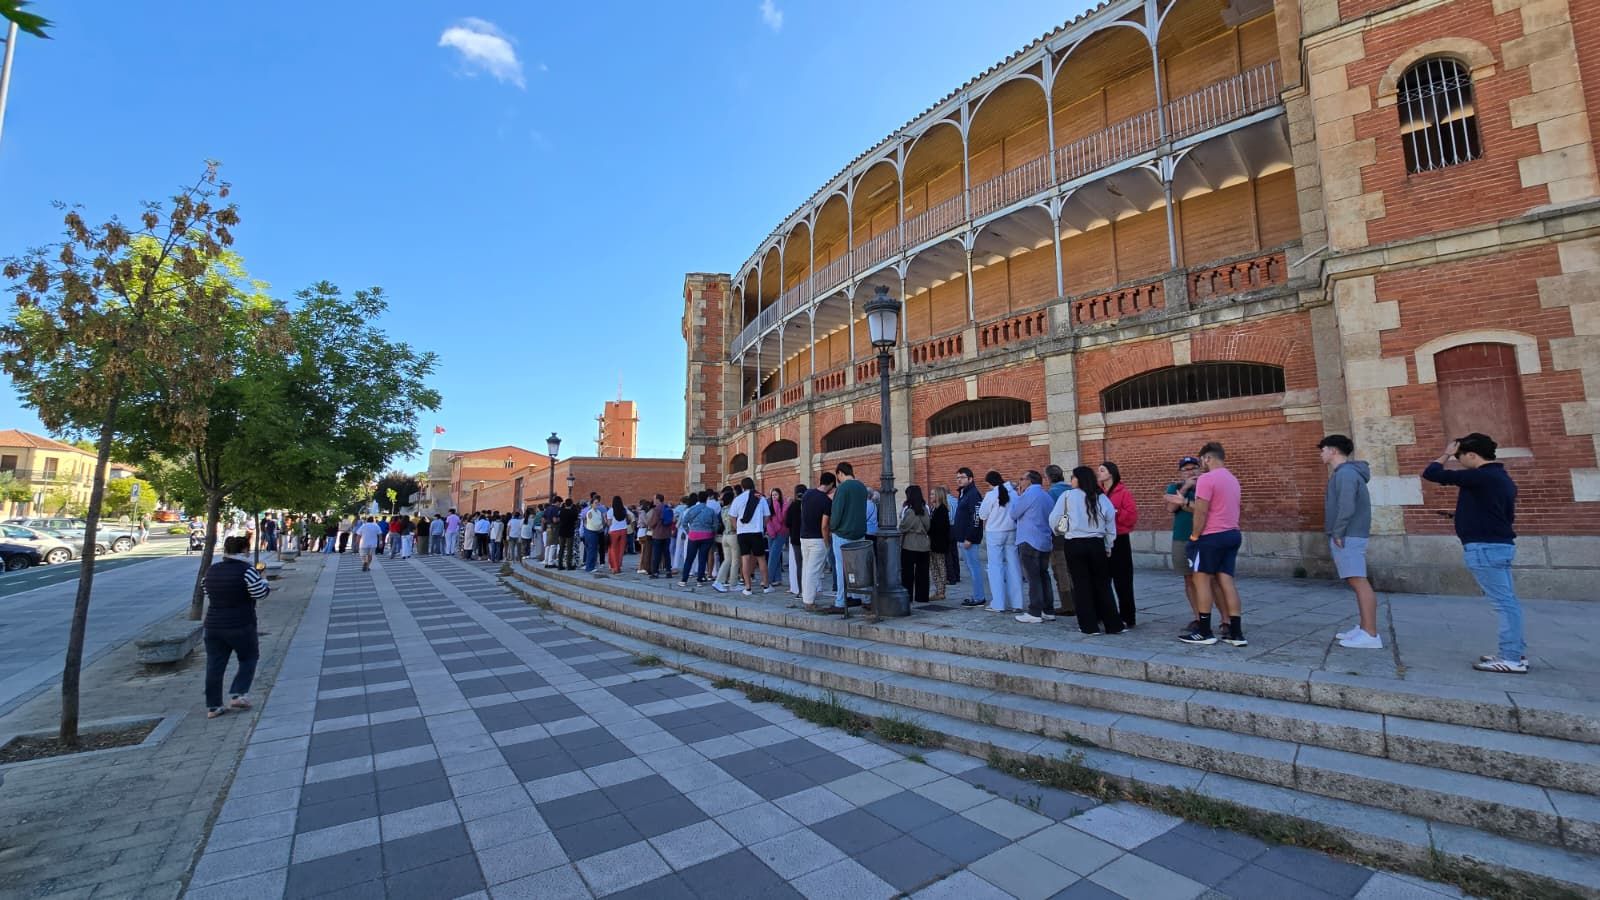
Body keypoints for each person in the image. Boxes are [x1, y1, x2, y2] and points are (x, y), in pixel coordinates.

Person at [1422, 433, 1527, 674]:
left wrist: (1446, 453)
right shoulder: (1502, 478)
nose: (1459, 462)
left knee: (1504, 604)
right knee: (1507, 602)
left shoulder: (1481, 476)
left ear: (1472, 455)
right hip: (1498, 544)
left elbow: (1432, 473)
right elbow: (1501, 514)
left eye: (1460, 457)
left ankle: (1511, 657)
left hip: (1485, 547)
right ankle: (1514, 651)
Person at [1181, 442, 1246, 647]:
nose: (1203, 465)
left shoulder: (1207, 479)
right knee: (1227, 581)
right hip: (1232, 533)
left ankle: (1204, 631)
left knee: (1202, 582)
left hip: (1210, 536)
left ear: (1207, 458)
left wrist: (1194, 536)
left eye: (1202, 461)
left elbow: (1201, 511)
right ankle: (1236, 632)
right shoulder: (1233, 479)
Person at [1317, 435, 1379, 649]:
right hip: (1350, 533)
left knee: (1358, 581)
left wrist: (1338, 532)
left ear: (1333, 450)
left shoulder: (1345, 474)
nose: (1321, 454)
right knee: (1356, 580)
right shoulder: (1347, 473)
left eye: (1323, 450)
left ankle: (1370, 633)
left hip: (1348, 535)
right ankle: (1364, 628)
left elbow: (1346, 506)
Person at [1049, 466, 1122, 635]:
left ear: (1078, 479)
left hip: (1074, 543)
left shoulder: (1067, 496)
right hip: (1096, 543)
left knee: (1081, 586)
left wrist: (1060, 530)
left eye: (1073, 477)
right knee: (1103, 585)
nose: (1071, 481)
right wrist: (1108, 544)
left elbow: (1053, 519)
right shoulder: (1100, 497)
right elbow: (1110, 520)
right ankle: (1113, 624)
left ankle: (1089, 625)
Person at [202, 536, 268, 719]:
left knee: (214, 664)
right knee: (249, 657)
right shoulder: (247, 571)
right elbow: (259, 593)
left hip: (213, 624)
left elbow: (205, 589)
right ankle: (239, 693)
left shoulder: (212, 570)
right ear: (246, 550)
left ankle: (214, 705)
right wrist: (265, 581)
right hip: (240, 623)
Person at [1011, 471, 1057, 624]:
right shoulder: (1046, 496)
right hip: (1044, 540)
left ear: (1029, 481)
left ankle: (1035, 611)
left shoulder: (1028, 494)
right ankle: (1048, 610)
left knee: (1033, 577)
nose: (1020, 482)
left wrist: (1018, 496)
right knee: (1044, 575)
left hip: (1029, 539)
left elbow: (1014, 513)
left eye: (1022, 479)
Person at [1098, 462, 1139, 628]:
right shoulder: (1098, 493)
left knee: (1123, 580)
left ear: (1111, 473)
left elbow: (1131, 517)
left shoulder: (1123, 492)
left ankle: (1128, 616)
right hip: (1102, 538)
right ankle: (1106, 613)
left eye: (1102, 470)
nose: (1098, 473)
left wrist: (1114, 512)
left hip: (1119, 539)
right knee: (1102, 579)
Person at [1162, 457, 1203, 623]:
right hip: (1181, 538)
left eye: (1194, 468)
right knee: (1188, 578)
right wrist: (1186, 488)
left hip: (1204, 537)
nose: (1191, 471)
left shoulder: (1206, 486)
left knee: (1209, 579)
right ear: (1180, 473)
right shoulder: (1175, 487)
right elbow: (1171, 508)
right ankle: (1198, 617)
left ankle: (1224, 620)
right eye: (1186, 469)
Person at [979, 470, 1024, 613]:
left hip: (995, 532)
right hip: (1012, 531)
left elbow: (982, 514)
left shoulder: (991, 495)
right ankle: (1018, 603)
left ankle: (998, 603)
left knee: (995, 567)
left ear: (989, 483)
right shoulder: (1014, 493)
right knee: (1014, 566)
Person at [827, 462, 869, 613]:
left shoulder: (843, 488)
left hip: (843, 534)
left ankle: (840, 601)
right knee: (859, 568)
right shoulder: (862, 487)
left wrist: (832, 527)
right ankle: (864, 598)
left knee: (841, 569)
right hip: (859, 533)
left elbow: (837, 512)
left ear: (839, 473)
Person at [727, 478, 773, 596]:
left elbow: (732, 517)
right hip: (756, 531)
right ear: (753, 485)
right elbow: (767, 516)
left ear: (742, 487)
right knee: (761, 559)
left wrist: (738, 529)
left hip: (742, 533)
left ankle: (748, 587)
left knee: (745, 559)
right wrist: (762, 526)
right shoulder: (760, 498)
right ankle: (766, 585)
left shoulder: (737, 499)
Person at [799, 473, 835, 610]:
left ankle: (806, 596)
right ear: (831, 484)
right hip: (818, 538)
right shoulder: (827, 501)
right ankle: (809, 601)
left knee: (806, 568)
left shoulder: (807, 494)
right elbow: (824, 525)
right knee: (814, 571)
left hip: (804, 536)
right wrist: (827, 543)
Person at [952, 468, 987, 608]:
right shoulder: (964, 493)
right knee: (971, 567)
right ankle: (977, 595)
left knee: (974, 568)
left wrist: (970, 538)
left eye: (962, 477)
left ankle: (979, 597)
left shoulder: (973, 494)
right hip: (963, 538)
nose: (959, 479)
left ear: (970, 479)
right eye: (957, 477)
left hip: (969, 539)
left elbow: (976, 517)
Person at [1043, 465, 1075, 616]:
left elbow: (1051, 516)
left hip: (1059, 536)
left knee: (1060, 570)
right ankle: (1077, 600)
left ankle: (1067, 604)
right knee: (1072, 569)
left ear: (1048, 478)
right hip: (1075, 534)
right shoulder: (1072, 490)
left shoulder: (1052, 493)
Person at [900, 485, 932, 604]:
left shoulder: (910, 511)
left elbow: (904, 526)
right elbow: (928, 526)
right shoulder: (925, 509)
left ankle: (907, 596)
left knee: (907, 573)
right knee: (923, 573)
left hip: (910, 544)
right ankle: (922, 596)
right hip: (924, 545)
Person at [679, 491, 718, 586]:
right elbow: (715, 525)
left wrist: (689, 532)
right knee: (703, 558)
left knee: (689, 558)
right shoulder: (711, 511)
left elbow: (684, 523)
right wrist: (712, 532)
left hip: (694, 535)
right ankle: (699, 580)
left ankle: (684, 579)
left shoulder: (691, 509)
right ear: (706, 499)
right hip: (707, 536)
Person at [712, 487, 742, 591]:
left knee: (727, 560)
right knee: (735, 560)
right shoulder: (732, 509)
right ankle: (733, 583)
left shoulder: (723, 509)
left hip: (725, 536)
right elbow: (734, 523)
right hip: (733, 535)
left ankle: (719, 581)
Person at [928, 486, 952, 601]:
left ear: (938, 496)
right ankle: (938, 590)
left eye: (933, 494)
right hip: (934, 542)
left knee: (940, 566)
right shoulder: (935, 509)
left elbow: (939, 528)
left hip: (938, 543)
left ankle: (941, 591)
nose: (930, 496)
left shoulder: (941, 510)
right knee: (934, 567)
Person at [765, 487, 788, 590]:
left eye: (776, 495)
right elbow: (766, 520)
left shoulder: (782, 505)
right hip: (771, 533)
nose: (774, 497)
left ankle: (767, 580)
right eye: (772, 495)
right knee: (775, 556)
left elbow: (781, 518)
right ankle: (777, 578)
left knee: (773, 556)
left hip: (781, 533)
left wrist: (777, 506)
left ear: (780, 496)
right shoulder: (768, 505)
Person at [785, 485, 806, 596]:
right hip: (807, 537)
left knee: (799, 565)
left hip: (795, 538)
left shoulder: (792, 506)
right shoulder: (807, 505)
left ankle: (801, 591)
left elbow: (787, 523)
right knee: (808, 565)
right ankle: (809, 589)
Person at [648, 494, 673, 578]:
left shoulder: (657, 509)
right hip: (667, 534)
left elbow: (653, 522)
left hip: (658, 534)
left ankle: (655, 572)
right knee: (667, 553)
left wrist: (650, 525)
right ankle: (668, 571)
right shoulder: (668, 507)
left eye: (654, 499)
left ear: (658, 500)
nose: (653, 501)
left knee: (656, 554)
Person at [606, 496, 631, 574]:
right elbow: (629, 518)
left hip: (614, 531)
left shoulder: (610, 511)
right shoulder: (624, 509)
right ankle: (619, 566)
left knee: (613, 549)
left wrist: (605, 520)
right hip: (623, 530)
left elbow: (609, 523)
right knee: (621, 550)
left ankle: (615, 567)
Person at [581, 497, 606, 572]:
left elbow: (601, 521)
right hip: (591, 532)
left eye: (598, 503)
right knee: (591, 550)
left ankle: (592, 565)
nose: (597, 504)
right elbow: (593, 523)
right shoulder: (590, 512)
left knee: (595, 550)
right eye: (595, 503)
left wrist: (601, 526)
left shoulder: (598, 512)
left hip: (597, 532)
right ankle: (589, 567)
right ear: (591, 504)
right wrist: (601, 527)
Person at [558, 499, 580, 570]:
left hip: (561, 531)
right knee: (569, 549)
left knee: (561, 548)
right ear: (571, 504)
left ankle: (560, 564)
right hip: (570, 532)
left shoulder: (561, 511)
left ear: (565, 504)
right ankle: (568, 565)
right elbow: (576, 520)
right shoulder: (573, 512)